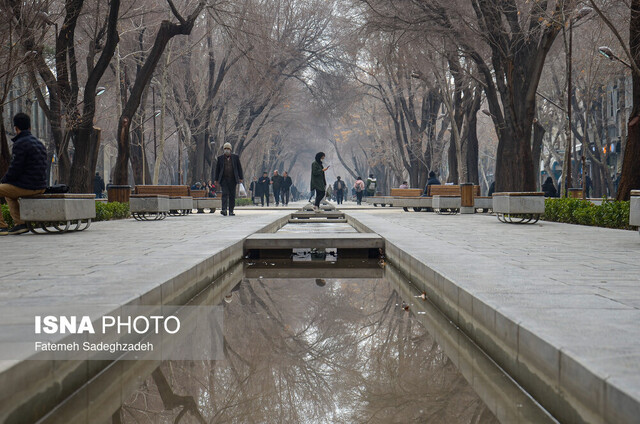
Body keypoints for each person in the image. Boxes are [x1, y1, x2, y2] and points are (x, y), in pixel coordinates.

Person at [0, 113, 48, 235]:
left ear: (16, 128)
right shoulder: (39, 143)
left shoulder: (20, 143)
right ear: (30, 127)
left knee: (3, 188)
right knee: (9, 194)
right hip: (41, 186)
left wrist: (3, 181)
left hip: (28, 187)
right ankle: (20, 224)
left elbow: (15, 169)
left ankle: (2, 226)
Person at [214, 142, 243, 216]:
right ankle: (224, 209)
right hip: (224, 179)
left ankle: (231, 210)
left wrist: (241, 177)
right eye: (225, 149)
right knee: (224, 194)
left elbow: (239, 168)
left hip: (233, 179)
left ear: (230, 149)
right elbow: (217, 169)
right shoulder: (220, 158)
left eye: (228, 149)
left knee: (232, 195)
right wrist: (216, 179)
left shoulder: (235, 157)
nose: (226, 150)